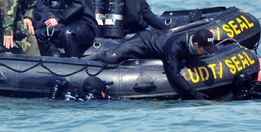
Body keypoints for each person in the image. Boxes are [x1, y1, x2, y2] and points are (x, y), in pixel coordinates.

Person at [87, 29, 218, 100]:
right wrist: (195, 94)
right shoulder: (176, 46)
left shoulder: (194, 44)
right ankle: (88, 59)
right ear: (196, 44)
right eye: (205, 49)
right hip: (143, 42)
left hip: (157, 44)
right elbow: (174, 74)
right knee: (112, 57)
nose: (206, 51)